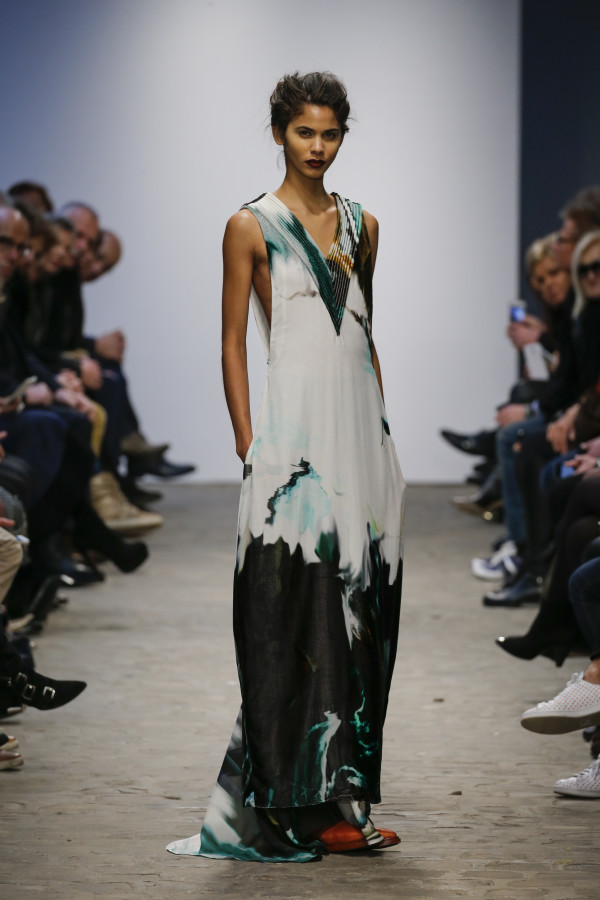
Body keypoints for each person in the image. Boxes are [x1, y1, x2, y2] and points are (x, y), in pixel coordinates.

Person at [167, 72, 405, 863]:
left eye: (331, 133)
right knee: (288, 616)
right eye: (305, 131)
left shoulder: (365, 225)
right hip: (291, 443)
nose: (318, 146)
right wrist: (250, 441)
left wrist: (384, 433)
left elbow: (362, 333)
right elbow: (233, 340)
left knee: (361, 618)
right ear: (279, 133)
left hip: (360, 441)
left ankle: (343, 803)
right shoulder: (250, 224)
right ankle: (284, 804)